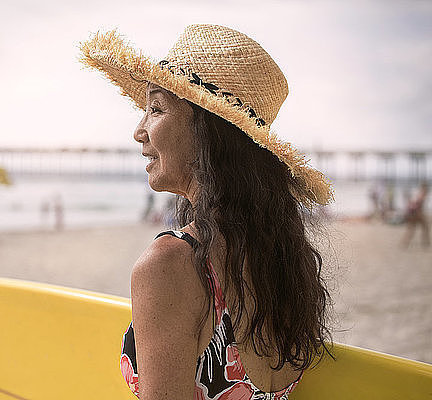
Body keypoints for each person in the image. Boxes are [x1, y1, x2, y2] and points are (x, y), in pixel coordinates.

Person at [81, 24, 334, 400]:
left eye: (156, 108)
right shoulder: (280, 263)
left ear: (207, 130)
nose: (139, 130)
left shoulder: (172, 264)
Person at [402, 182, 430, 248]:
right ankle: (425, 243)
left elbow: (414, 203)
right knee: (422, 228)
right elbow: (416, 204)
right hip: (417, 214)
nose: (428, 190)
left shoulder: (420, 194)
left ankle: (405, 243)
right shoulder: (422, 194)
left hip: (416, 214)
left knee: (414, 229)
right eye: (427, 188)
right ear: (424, 188)